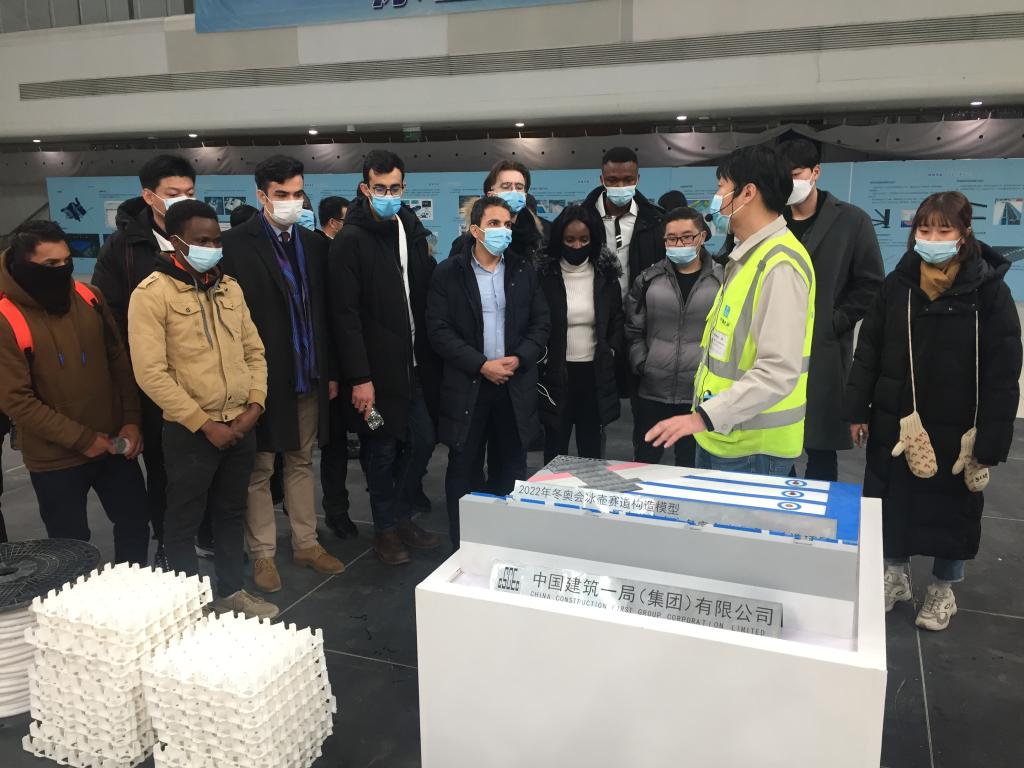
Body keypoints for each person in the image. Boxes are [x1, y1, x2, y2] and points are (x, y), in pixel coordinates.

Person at [846, 192, 1021, 631]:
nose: (933, 238)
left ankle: (944, 587)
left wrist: (993, 438)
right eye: (924, 229)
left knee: (954, 510)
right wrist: (857, 408)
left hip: (960, 424)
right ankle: (895, 576)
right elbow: (868, 351)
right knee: (892, 501)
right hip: (897, 419)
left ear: (965, 234)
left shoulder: (989, 292)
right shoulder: (897, 285)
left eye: (944, 230)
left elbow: (1004, 370)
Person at [128, 200, 278, 619]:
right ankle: (189, 608)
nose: (211, 247)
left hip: (241, 424)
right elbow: (151, 373)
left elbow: (255, 352)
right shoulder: (152, 294)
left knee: (230, 513)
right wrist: (204, 424)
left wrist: (255, 404)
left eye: (215, 240)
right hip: (191, 432)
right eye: (201, 241)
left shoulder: (230, 288)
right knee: (183, 521)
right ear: (176, 242)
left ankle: (231, 592)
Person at [644, 145, 815, 478]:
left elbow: (778, 371)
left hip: (753, 447)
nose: (716, 198)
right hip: (722, 435)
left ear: (748, 193)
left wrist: (704, 417)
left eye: (721, 187)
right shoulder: (748, 257)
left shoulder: (779, 265)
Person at [221, 155, 345, 593]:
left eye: (297, 194)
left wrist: (329, 371)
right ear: (262, 196)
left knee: (300, 460)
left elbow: (326, 313)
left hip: (308, 374)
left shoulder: (313, 244)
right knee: (259, 468)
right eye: (281, 194)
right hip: (260, 379)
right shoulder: (234, 245)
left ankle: (307, 544)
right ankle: (263, 554)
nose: (291, 202)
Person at [0, 221, 149, 563]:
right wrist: (82, 439)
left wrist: (131, 420)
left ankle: (134, 585)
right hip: (55, 458)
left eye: (66, 260)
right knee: (70, 545)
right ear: (22, 264)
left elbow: (118, 361)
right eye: (50, 264)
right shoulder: (6, 318)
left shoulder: (88, 296)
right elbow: (16, 400)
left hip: (113, 444)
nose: (62, 269)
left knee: (135, 522)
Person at [331, 150, 442, 565]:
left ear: (404, 187)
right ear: (365, 188)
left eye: (395, 188)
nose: (388, 195)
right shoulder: (350, 240)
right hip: (374, 376)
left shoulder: (409, 228)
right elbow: (345, 316)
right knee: (381, 449)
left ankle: (399, 515)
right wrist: (360, 378)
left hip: (413, 365)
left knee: (423, 440)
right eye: (380, 188)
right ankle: (385, 530)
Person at [427, 196, 550, 547]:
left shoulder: (523, 270)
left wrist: (520, 358)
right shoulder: (449, 272)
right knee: (463, 468)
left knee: (510, 467)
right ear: (475, 230)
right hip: (469, 384)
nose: (503, 231)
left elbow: (541, 323)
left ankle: (507, 545)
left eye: (508, 225)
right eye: (494, 224)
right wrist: (480, 364)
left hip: (513, 384)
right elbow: (439, 330)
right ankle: (463, 547)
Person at [93, 154, 196, 567]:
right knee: (163, 466)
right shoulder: (122, 248)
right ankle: (168, 542)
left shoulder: (203, 237)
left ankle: (205, 531)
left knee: (207, 462)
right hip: (154, 379)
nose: (183, 200)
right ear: (150, 196)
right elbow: (110, 317)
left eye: (189, 192)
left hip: (203, 375)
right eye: (173, 193)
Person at [777, 139, 885, 481]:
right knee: (774, 442)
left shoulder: (851, 220)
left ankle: (820, 509)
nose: (789, 183)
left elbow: (871, 283)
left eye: (795, 174)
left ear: (815, 172)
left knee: (820, 445)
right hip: (773, 345)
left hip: (823, 348)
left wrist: (835, 320)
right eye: (782, 176)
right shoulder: (771, 218)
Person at [626, 207, 723, 467]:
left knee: (691, 466)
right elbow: (634, 328)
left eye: (687, 237)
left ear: (702, 237)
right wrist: (642, 363)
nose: (679, 244)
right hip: (653, 389)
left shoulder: (722, 280)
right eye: (672, 238)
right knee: (644, 463)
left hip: (699, 393)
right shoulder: (649, 279)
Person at [537, 205, 624, 463]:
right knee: (555, 447)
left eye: (584, 240)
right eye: (570, 240)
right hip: (555, 371)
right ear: (559, 239)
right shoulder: (544, 275)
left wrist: (611, 349)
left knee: (591, 448)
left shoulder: (606, 275)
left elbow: (617, 318)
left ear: (593, 239)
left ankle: (590, 489)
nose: (577, 246)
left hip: (594, 372)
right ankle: (552, 489)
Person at [583, 146, 665, 298]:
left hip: (641, 306)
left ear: (637, 179)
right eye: (612, 180)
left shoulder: (655, 221)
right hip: (596, 306)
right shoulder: (583, 219)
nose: (620, 186)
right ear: (602, 180)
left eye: (628, 180)